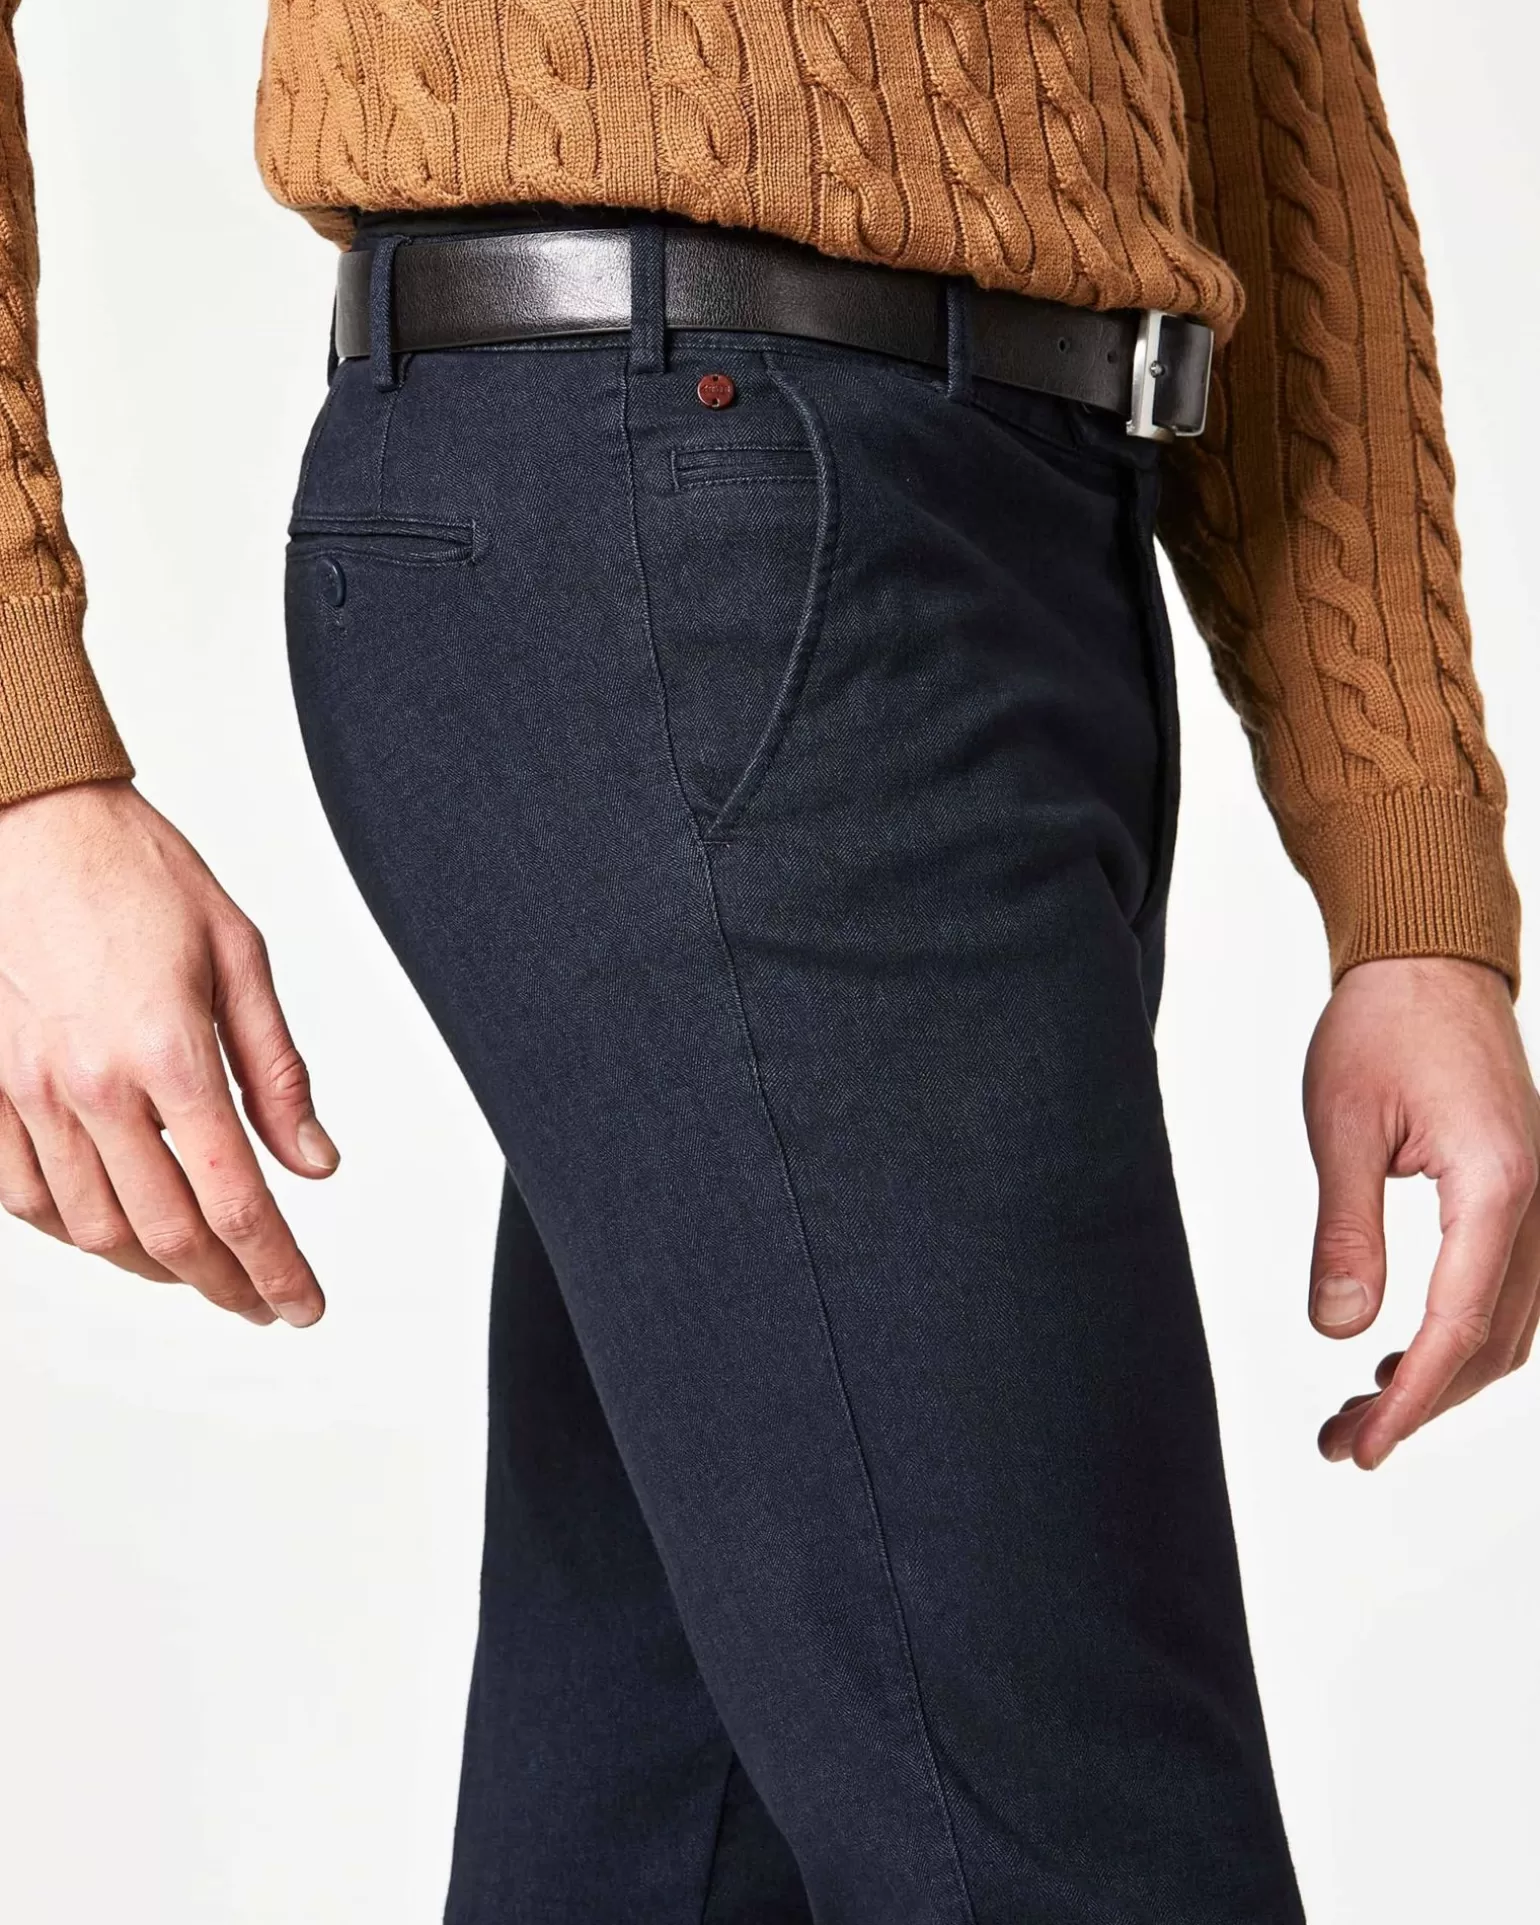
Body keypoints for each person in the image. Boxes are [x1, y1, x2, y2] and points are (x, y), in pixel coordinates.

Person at [0, 2, 1533, 1919]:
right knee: (1088, 1838)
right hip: (680, 490)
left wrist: (1411, 886)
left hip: (1024, 536)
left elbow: (1265, 68)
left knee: (669, 1840)